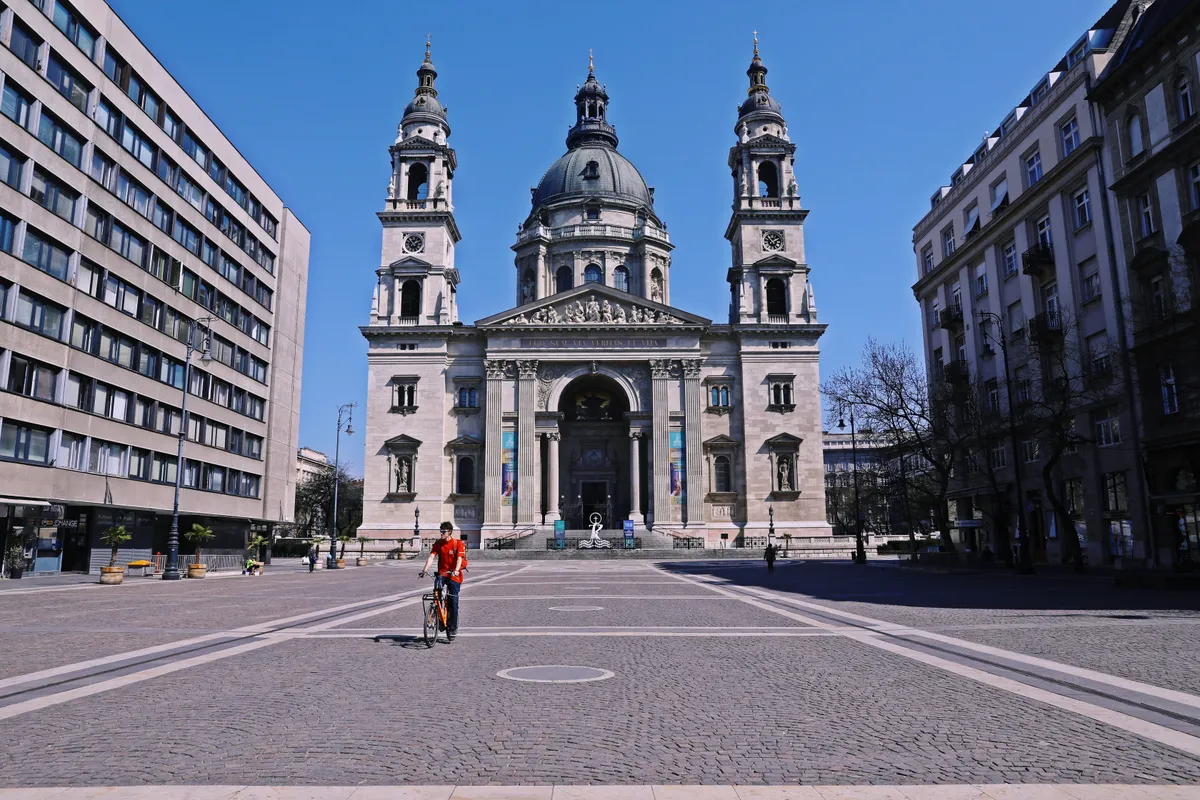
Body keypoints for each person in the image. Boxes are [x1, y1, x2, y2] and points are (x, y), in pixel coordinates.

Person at [419, 521, 466, 642]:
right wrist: (424, 570)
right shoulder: (438, 544)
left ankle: (453, 627)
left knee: (453, 601)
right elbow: (431, 557)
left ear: (449, 531)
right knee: (437, 593)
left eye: (443, 531)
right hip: (442, 574)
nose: (441, 534)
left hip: (454, 575)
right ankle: (437, 613)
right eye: (440, 531)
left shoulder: (457, 543)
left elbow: (460, 559)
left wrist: (456, 570)